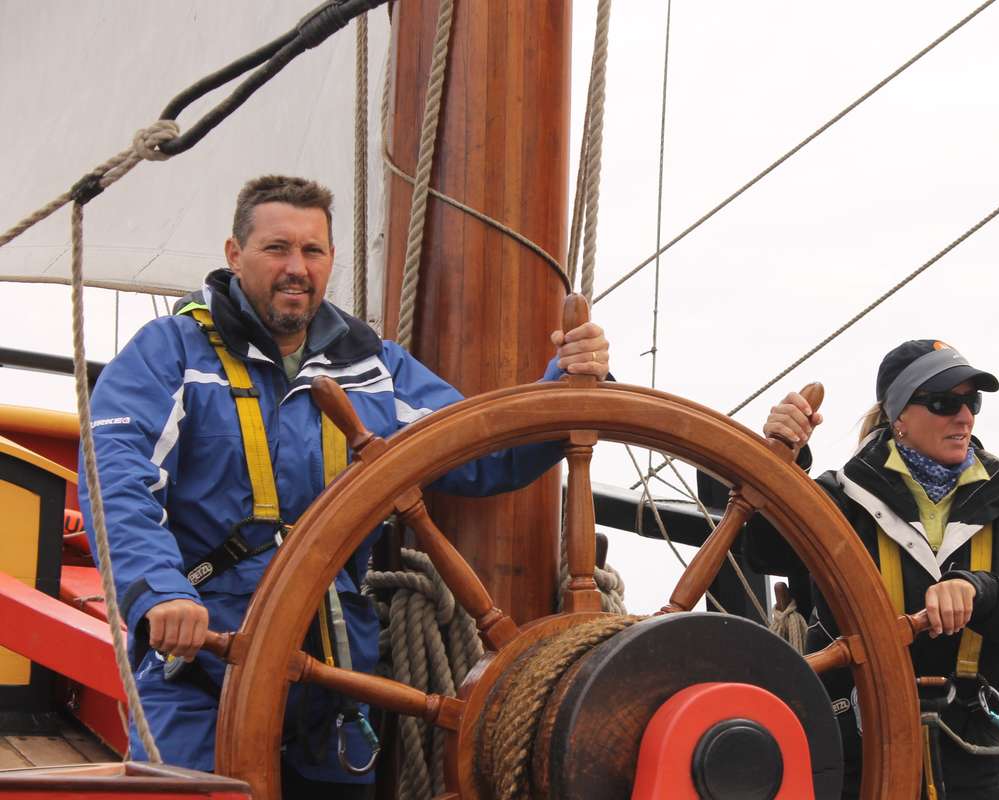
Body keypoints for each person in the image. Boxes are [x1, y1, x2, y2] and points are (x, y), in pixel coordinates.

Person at [78, 175, 611, 797]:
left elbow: (483, 454)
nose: (296, 268)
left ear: (331, 259)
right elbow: (116, 477)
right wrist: (160, 592)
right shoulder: (170, 353)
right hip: (203, 662)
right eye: (277, 248)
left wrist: (566, 383)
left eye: (313, 251)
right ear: (234, 254)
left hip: (336, 679)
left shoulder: (374, 365)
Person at [761, 339, 999, 799]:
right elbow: (764, 551)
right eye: (945, 403)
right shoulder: (841, 499)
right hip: (860, 760)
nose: (963, 417)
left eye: (971, 402)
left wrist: (980, 591)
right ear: (898, 416)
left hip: (973, 759)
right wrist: (783, 460)